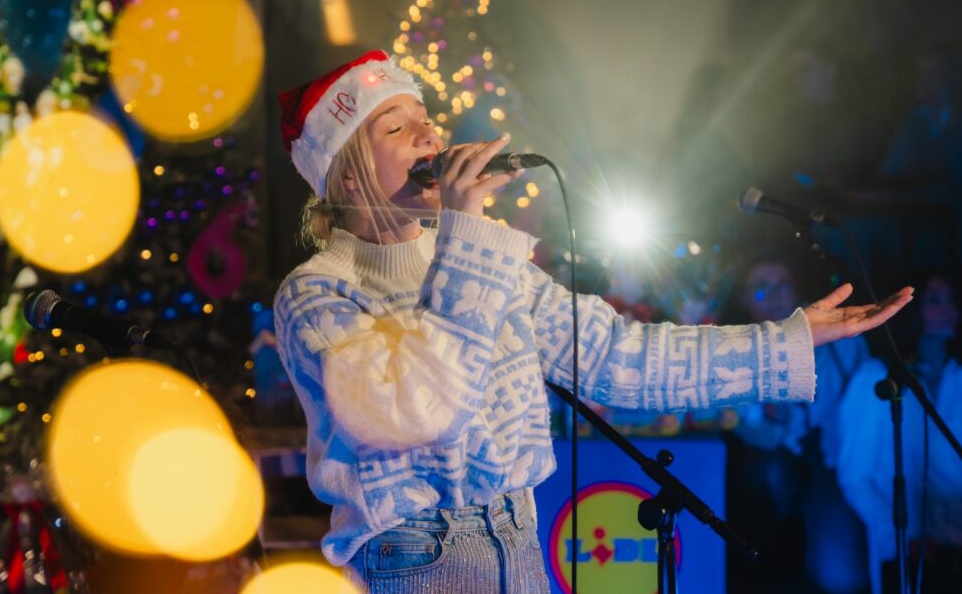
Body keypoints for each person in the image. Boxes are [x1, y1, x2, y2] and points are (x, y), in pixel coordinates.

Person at [272, 50, 913, 593]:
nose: (429, 136)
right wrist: (466, 238)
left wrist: (788, 339)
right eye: (396, 128)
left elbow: (618, 356)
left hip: (518, 540)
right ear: (347, 179)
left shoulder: (484, 264)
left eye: (426, 119)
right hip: (415, 559)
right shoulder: (317, 293)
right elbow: (418, 412)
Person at [722, 251, 870, 594]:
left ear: (799, 291)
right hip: (773, 473)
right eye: (761, 289)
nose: (774, 298)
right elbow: (744, 426)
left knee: (840, 577)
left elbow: (865, 414)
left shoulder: (840, 337)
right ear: (744, 299)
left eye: (783, 287)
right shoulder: (733, 350)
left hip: (837, 470)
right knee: (765, 476)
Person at [837, 273, 962, 594]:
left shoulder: (957, 376)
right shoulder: (876, 378)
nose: (948, 309)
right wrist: (903, 537)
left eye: (952, 300)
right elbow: (855, 476)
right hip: (905, 545)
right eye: (935, 300)